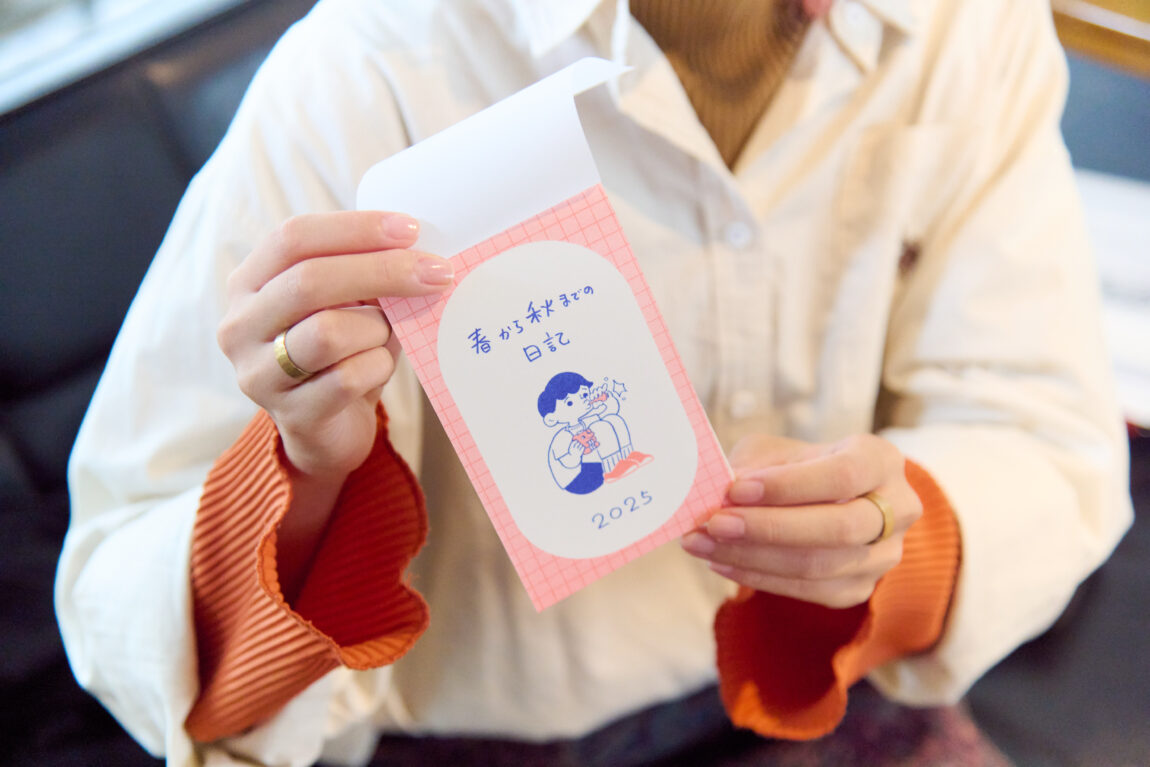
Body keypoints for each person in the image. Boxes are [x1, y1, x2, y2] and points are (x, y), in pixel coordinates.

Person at [56, 0, 1133, 765]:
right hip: (476, 742)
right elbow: (125, 608)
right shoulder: (367, 67)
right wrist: (309, 468)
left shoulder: (965, 25)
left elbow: (1038, 425)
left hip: (836, 690)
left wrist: (892, 541)